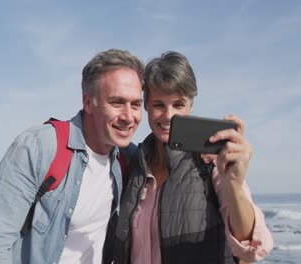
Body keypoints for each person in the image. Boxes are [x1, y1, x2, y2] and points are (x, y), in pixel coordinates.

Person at [0, 48, 145, 264]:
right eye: (117, 103)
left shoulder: (128, 157)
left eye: (136, 104)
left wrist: (201, 157)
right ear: (88, 102)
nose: (129, 117)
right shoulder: (39, 147)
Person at [104, 51, 273, 264]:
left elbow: (250, 246)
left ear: (190, 106)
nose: (168, 115)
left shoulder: (211, 161)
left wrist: (234, 186)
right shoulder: (134, 164)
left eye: (178, 104)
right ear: (146, 105)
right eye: (158, 105)